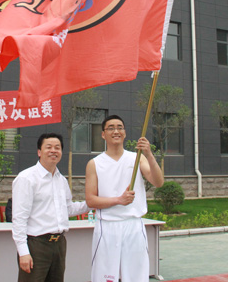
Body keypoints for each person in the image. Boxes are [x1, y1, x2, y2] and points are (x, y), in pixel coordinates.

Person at [86, 115, 164, 282]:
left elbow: (158, 182)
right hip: (107, 226)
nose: (116, 131)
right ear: (103, 134)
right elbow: (91, 200)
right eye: (111, 128)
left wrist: (149, 154)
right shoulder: (95, 163)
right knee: (105, 277)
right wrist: (118, 200)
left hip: (133, 225)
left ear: (125, 132)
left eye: (120, 127)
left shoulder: (137, 158)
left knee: (136, 276)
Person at [12, 132, 89, 282]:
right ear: (39, 152)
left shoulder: (61, 180)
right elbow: (19, 218)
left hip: (59, 244)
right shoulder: (26, 178)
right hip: (36, 245)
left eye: (57, 147)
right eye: (48, 147)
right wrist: (23, 252)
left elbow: (68, 209)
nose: (53, 151)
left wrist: (92, 204)